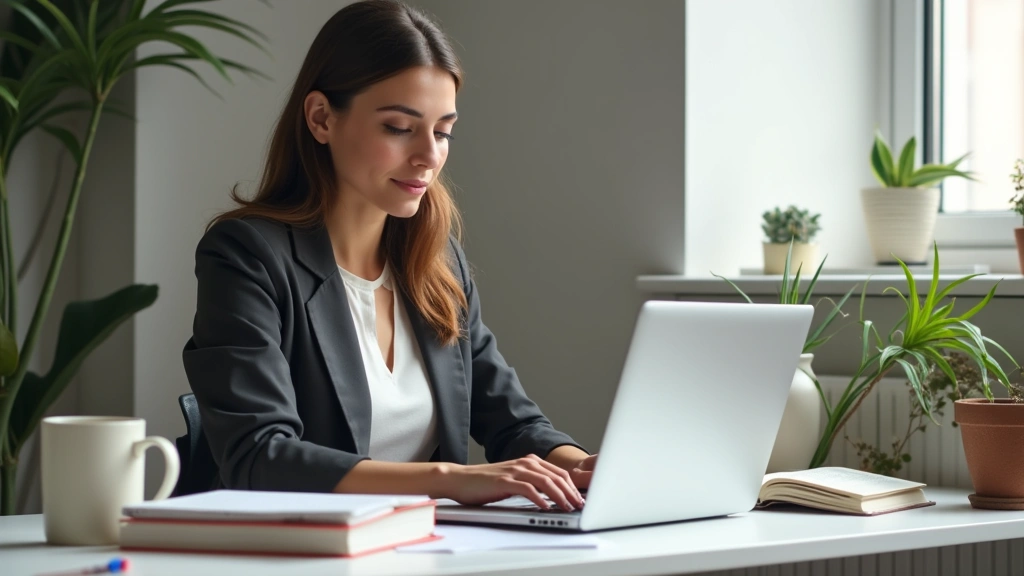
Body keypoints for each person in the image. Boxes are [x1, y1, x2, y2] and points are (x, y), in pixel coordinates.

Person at [183, 0, 595, 512]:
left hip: (427, 548)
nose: (429, 155)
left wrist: (577, 464)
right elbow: (259, 455)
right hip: (304, 551)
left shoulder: (437, 260)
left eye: (443, 131)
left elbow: (511, 422)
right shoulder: (247, 256)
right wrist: (448, 479)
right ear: (320, 118)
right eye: (400, 128)